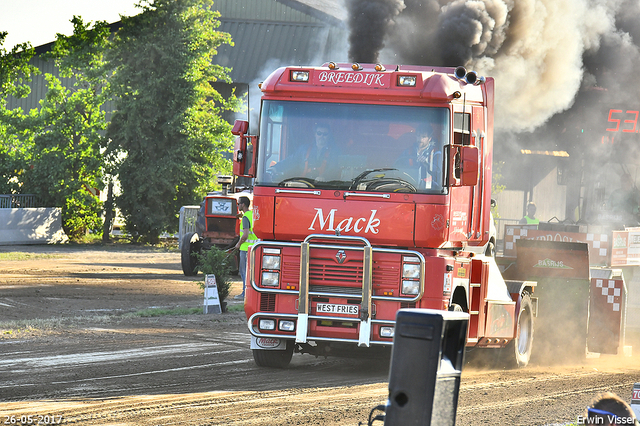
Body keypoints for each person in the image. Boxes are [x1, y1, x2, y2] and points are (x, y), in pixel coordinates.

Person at [233, 196, 258, 300]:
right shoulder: (252, 214)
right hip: (254, 248)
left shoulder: (245, 218)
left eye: (239, 204)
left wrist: (238, 244)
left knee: (244, 272)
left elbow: (245, 235)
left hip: (245, 249)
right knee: (251, 272)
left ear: (243, 205)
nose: (238, 205)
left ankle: (244, 294)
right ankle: (250, 294)